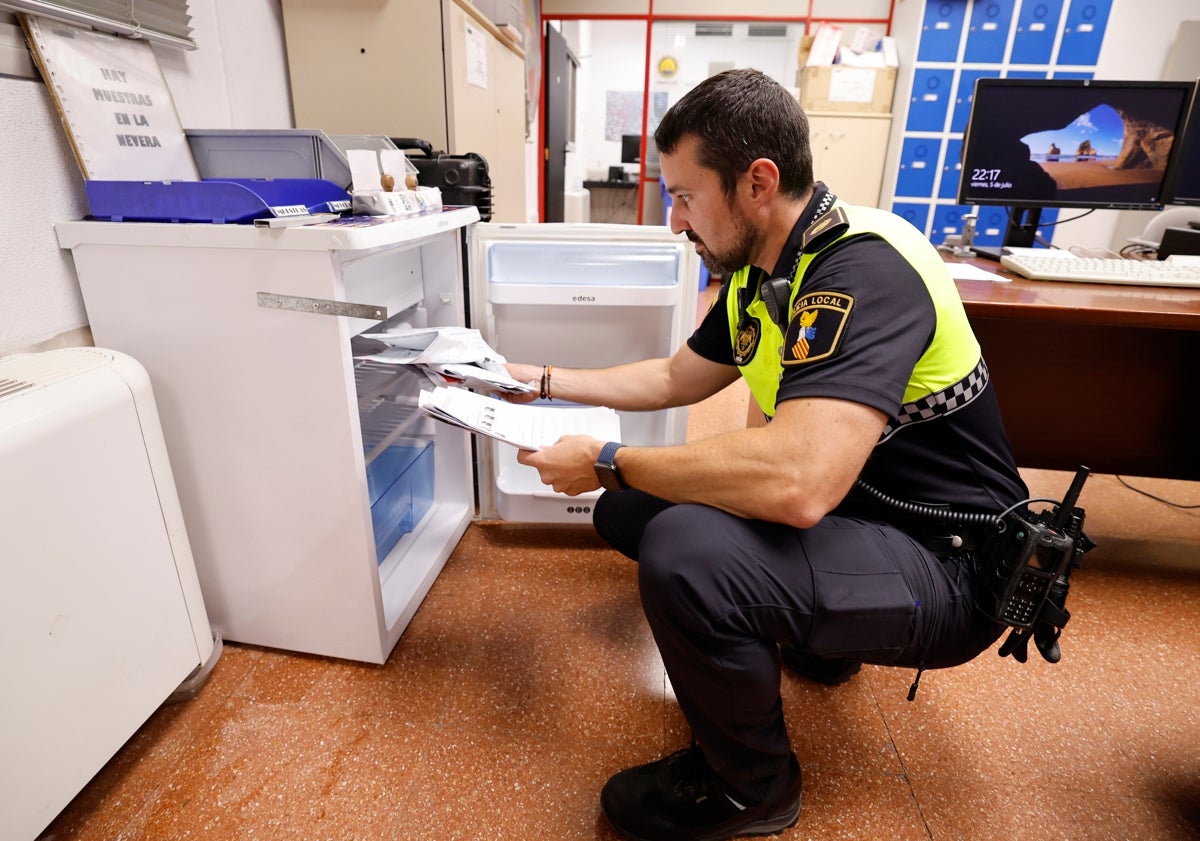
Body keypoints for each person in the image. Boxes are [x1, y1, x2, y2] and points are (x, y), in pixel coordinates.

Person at [501, 68, 1027, 841]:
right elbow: (678, 375)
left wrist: (608, 455)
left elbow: (800, 482)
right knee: (632, 510)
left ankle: (751, 786)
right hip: (864, 517)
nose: (677, 221)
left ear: (757, 181)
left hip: (952, 566)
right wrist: (539, 382)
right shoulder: (761, 270)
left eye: (684, 194)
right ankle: (824, 643)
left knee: (684, 547)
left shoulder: (864, 268)